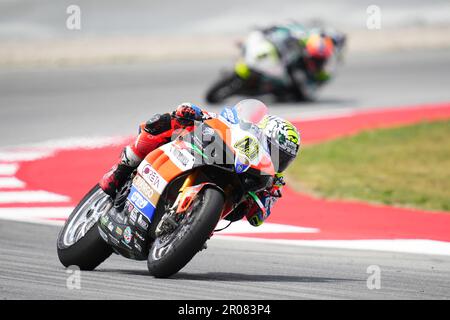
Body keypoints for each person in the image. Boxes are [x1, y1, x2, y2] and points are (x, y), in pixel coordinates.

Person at [99, 101, 300, 227]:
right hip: (211, 153)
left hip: (229, 191)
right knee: (164, 122)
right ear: (261, 135)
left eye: (283, 158)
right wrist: (193, 113)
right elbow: (216, 118)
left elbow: (258, 219)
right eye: (275, 151)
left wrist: (258, 201)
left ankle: (189, 227)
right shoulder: (239, 131)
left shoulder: (272, 181)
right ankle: (121, 170)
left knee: (236, 211)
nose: (278, 160)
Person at [259, 22, 345, 99]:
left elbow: (341, 38)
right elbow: (288, 26)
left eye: (320, 60)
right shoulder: (303, 38)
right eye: (315, 59)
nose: (317, 62)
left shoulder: (325, 71)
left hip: (311, 81)